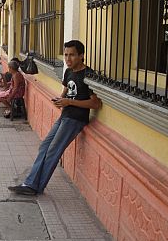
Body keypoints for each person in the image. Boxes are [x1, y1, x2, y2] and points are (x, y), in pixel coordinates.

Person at [8, 40, 101, 195]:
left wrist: (69, 102)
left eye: (72, 55)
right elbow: (66, 89)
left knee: (53, 151)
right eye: (65, 55)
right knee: (44, 146)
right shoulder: (69, 71)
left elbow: (95, 103)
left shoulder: (88, 75)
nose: (68, 59)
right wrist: (60, 99)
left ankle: (34, 186)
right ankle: (30, 183)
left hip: (76, 119)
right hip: (65, 115)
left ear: (81, 56)